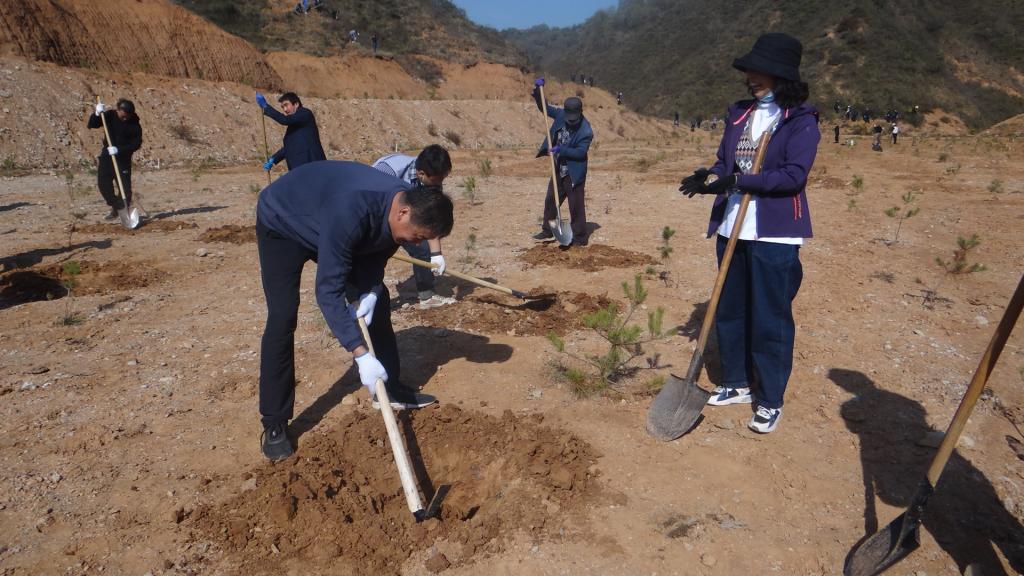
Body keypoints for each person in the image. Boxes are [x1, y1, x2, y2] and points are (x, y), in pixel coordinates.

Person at [255, 160, 454, 461]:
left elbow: (377, 254)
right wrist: (360, 354)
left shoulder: (401, 211)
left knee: (379, 300)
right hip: (284, 221)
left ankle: (388, 388)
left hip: (329, 220)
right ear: (403, 213)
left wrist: (370, 291)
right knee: (283, 317)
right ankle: (274, 422)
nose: (415, 244)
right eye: (416, 237)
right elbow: (328, 291)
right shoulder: (354, 210)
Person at [678, 32, 819, 434]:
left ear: (782, 75)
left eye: (761, 71)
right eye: (750, 71)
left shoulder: (800, 120)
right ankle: (736, 382)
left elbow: (793, 176)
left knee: (769, 317)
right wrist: (710, 178)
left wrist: (741, 181)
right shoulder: (739, 114)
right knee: (730, 309)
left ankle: (769, 399)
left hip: (773, 233)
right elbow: (726, 163)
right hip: (732, 227)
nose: (751, 78)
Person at [372, 145, 454, 309]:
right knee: (373, 257)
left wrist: (436, 254)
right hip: (376, 215)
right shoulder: (388, 170)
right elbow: (370, 199)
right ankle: (366, 297)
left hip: (406, 217)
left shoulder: (432, 181)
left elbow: (431, 218)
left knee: (423, 249)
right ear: (421, 174)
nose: (439, 185)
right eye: (436, 181)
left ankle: (427, 296)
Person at [530, 77, 594, 247]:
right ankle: (548, 229)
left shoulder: (586, 130)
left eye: (574, 118)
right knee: (551, 200)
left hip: (574, 171)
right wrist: (538, 91)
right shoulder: (560, 115)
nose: (571, 121)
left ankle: (580, 238)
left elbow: (580, 153)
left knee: (576, 205)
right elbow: (545, 109)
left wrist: (561, 150)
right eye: (569, 117)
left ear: (580, 113)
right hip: (558, 168)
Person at [87, 99, 142, 220]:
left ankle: (125, 213)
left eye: (128, 116)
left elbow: (136, 144)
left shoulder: (134, 124)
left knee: (125, 190)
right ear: (118, 109)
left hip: (123, 159)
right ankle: (117, 207)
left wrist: (119, 150)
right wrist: (97, 113)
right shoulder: (109, 115)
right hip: (107, 156)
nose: (125, 118)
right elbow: (92, 124)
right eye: (123, 115)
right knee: (103, 184)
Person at [256, 91, 326, 172]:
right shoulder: (294, 124)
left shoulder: (305, 113)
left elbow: (285, 120)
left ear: (296, 104)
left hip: (313, 166)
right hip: (300, 170)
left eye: (286, 105)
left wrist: (266, 106)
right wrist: (273, 159)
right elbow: (289, 147)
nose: (285, 109)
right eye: (282, 107)